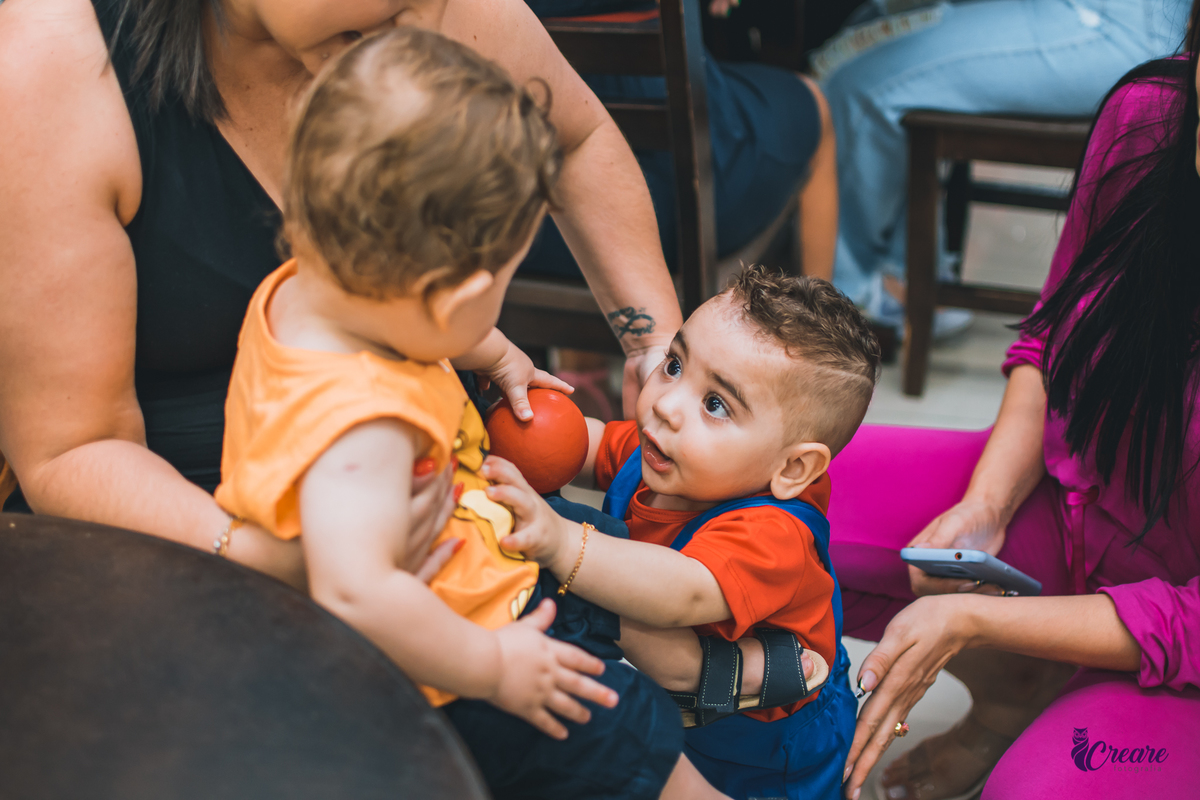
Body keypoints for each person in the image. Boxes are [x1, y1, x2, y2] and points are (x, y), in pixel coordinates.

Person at [214, 28, 728, 799]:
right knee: (645, 760)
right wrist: (496, 669)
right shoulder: (364, 428)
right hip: (460, 667)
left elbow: (393, 312)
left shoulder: (305, 291)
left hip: (480, 582)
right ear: (446, 298)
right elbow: (354, 590)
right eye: (495, 292)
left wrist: (482, 346)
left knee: (615, 599)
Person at [0, 0, 680, 582]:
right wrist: (282, 561)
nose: (423, 28)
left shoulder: (413, 13)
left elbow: (572, 138)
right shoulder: (55, 62)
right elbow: (72, 451)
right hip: (189, 550)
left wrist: (654, 348)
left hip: (437, 489)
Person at [830, 8, 1200, 798]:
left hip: (1183, 649)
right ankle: (1014, 694)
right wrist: (986, 507)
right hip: (1067, 517)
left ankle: (1072, 704)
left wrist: (978, 620)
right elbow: (1051, 335)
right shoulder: (1150, 118)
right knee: (763, 488)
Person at [484, 266, 881, 799]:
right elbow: (592, 445)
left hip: (772, 747)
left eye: (715, 404)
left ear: (791, 470)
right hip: (692, 703)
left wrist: (560, 539)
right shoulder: (666, 454)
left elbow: (681, 590)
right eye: (674, 364)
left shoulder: (772, 532)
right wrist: (519, 422)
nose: (666, 405)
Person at [818, 0, 1190, 333]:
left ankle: (842, 294)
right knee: (871, 26)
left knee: (861, 85)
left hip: (1115, 25)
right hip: (1117, 15)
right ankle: (906, 271)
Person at [520, 0, 838, 281]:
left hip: (521, 225)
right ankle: (826, 338)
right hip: (676, 218)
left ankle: (587, 342)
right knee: (814, 104)